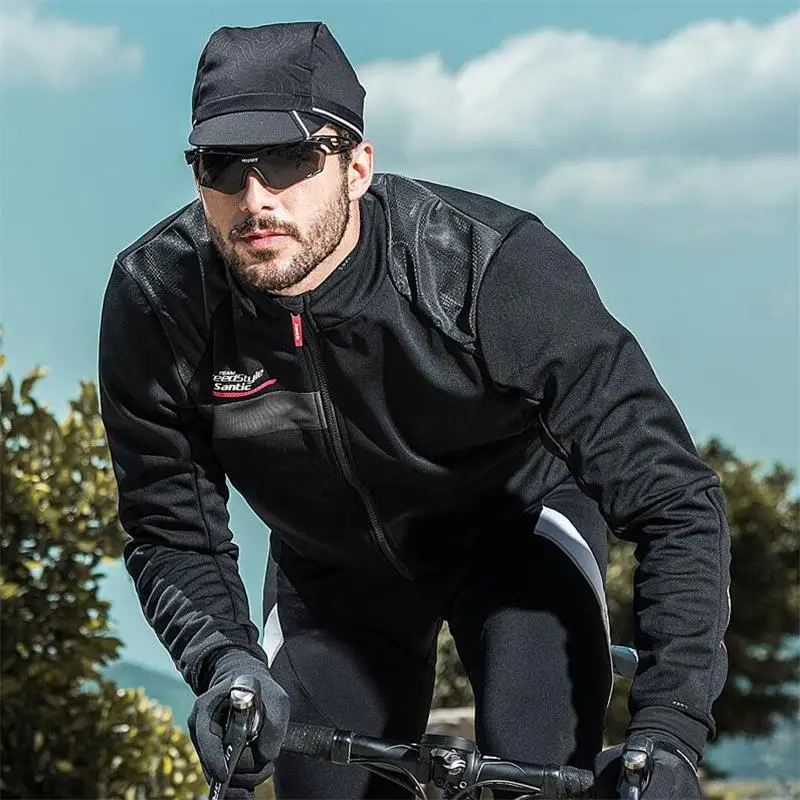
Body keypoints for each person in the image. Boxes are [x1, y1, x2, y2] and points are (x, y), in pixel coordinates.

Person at [98, 21, 731, 800]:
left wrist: (669, 732)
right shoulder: (159, 299)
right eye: (221, 164)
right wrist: (223, 661)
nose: (255, 197)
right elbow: (171, 528)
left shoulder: (487, 267)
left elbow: (676, 501)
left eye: (291, 158)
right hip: (330, 574)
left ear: (357, 166)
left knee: (531, 769)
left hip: (516, 538)